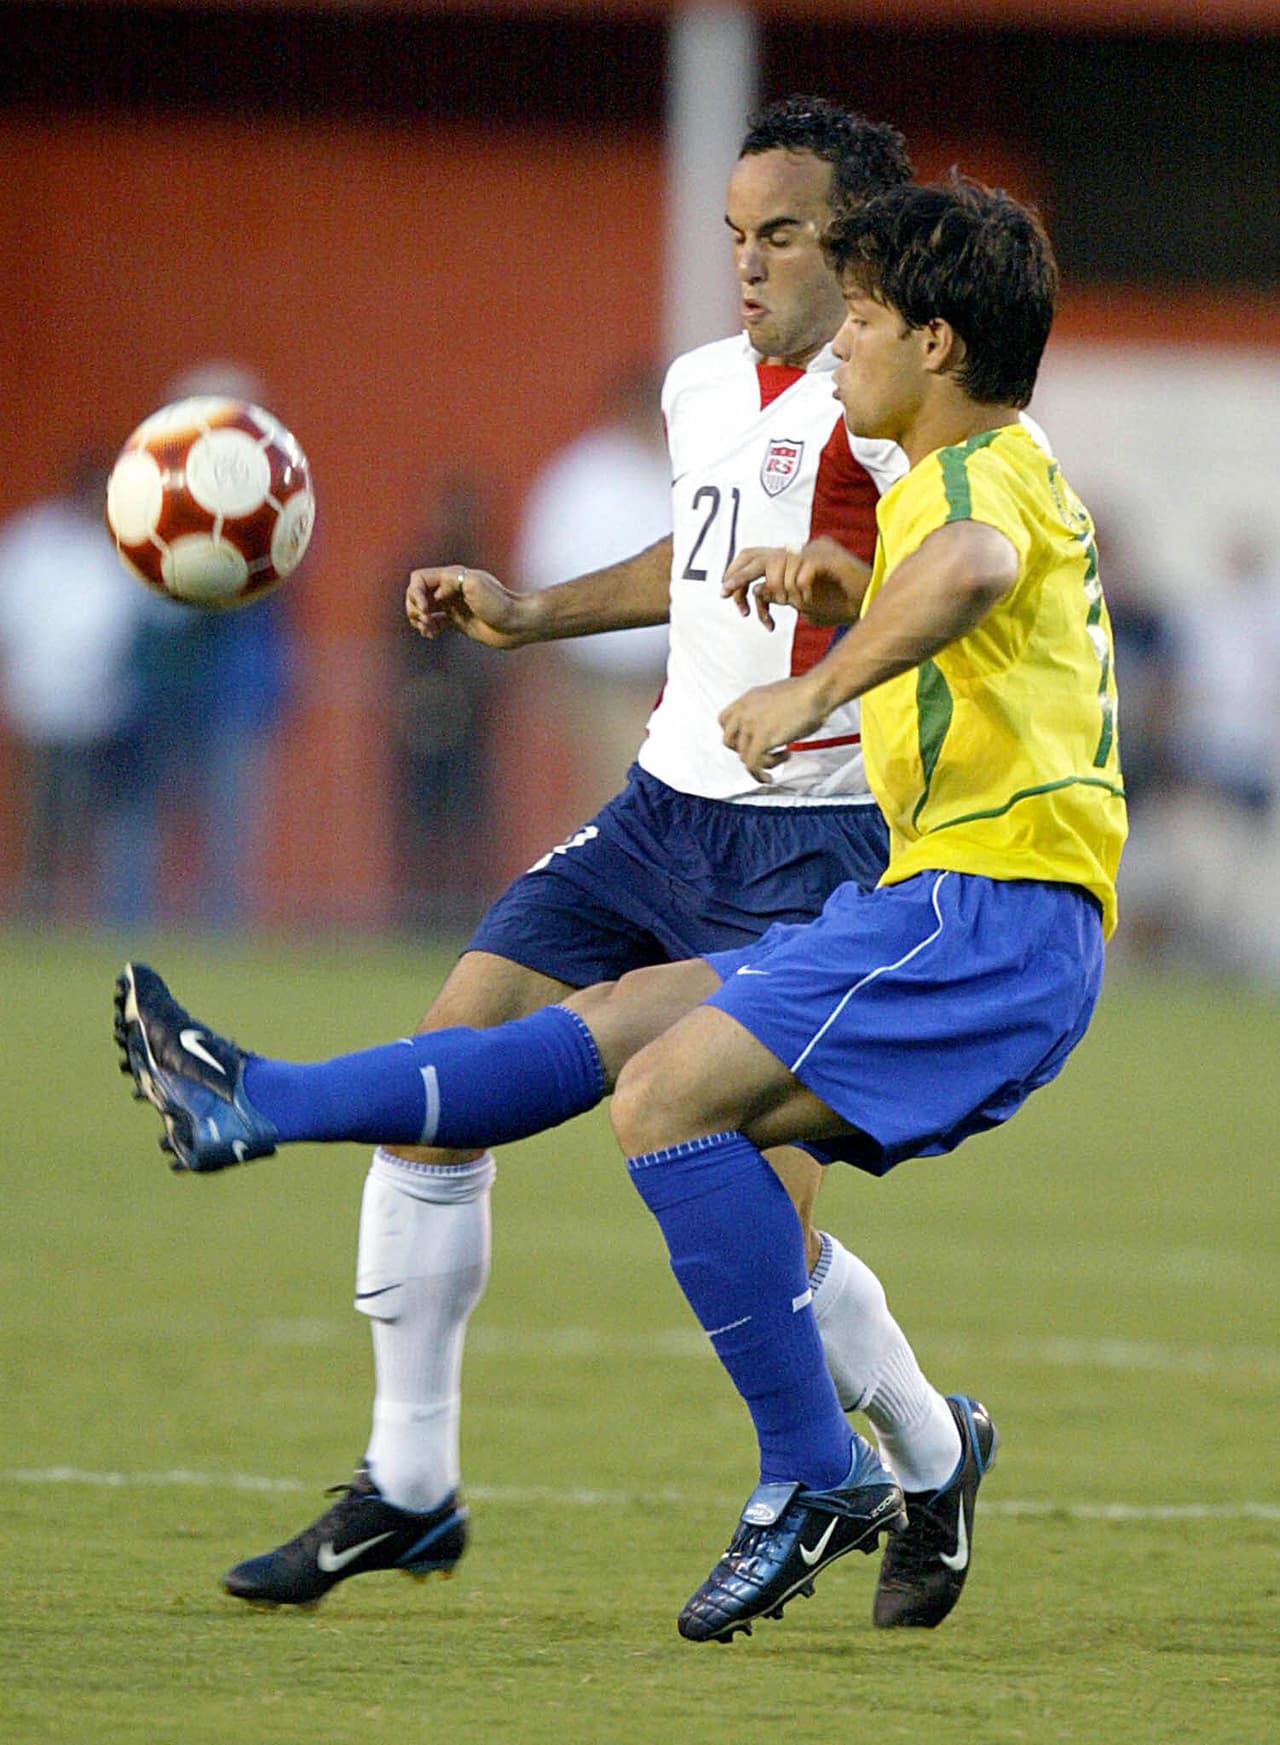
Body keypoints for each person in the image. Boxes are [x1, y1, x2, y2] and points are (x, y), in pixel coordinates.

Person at [117, 174, 1124, 1642]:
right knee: (626, 1049)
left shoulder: (963, 488)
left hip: (987, 913)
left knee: (664, 1103)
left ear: (942, 346)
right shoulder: (964, 466)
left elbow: (972, 568)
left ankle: (815, 1471)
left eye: (865, 318)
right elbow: (970, 583)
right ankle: (252, 1099)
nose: (840, 343)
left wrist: (818, 675)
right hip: (953, 908)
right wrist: (845, 580)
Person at [514, 363, 672, 820]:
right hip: (600, 674)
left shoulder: (681, 468)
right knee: (621, 793)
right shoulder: (583, 477)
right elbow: (543, 571)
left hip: (673, 674)